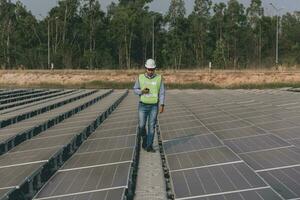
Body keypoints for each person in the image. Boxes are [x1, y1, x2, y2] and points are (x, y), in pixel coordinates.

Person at [133, 58, 165, 153]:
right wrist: (141, 91)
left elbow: (162, 92)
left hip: (154, 106)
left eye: (152, 69)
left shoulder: (159, 78)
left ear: (154, 69)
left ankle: (149, 145)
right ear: (146, 68)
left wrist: (162, 104)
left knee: (152, 126)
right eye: (149, 69)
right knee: (142, 126)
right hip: (143, 106)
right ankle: (145, 139)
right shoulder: (140, 77)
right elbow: (135, 89)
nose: (150, 71)